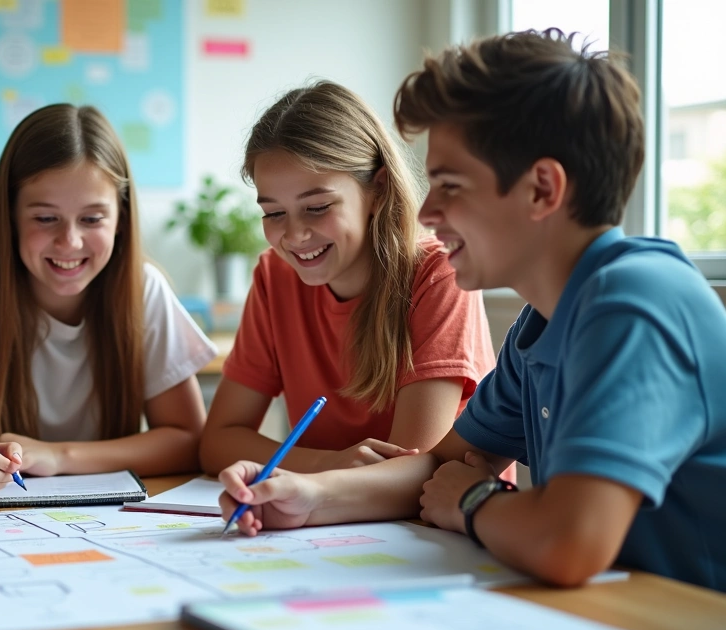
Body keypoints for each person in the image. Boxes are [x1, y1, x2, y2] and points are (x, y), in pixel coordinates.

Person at [218, 29, 726, 592]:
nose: (428, 209)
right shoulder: (543, 321)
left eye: (450, 185)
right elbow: (438, 465)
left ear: (541, 189)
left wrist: (474, 499)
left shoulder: (636, 304)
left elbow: (569, 543)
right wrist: (308, 497)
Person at [0, 104, 217, 500]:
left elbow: (187, 439)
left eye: (93, 219)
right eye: (46, 219)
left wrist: (59, 457)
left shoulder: (143, 288)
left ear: (121, 219)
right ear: (9, 215)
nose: (70, 242)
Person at [200, 80, 495, 476]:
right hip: (333, 520)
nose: (294, 235)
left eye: (317, 207)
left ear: (378, 188)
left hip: (430, 527)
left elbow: (409, 471)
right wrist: (328, 463)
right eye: (273, 213)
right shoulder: (275, 276)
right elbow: (218, 441)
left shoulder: (438, 275)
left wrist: (307, 479)